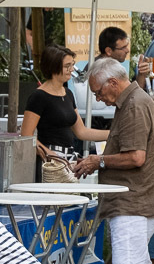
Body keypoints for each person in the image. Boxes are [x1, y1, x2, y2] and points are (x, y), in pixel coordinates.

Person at [68, 59, 154, 264]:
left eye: (98, 91)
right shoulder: (135, 101)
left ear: (112, 82)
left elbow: (136, 157)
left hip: (131, 200)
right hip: (139, 198)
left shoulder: (134, 104)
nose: (98, 98)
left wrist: (100, 160)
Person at [22, 44, 107, 180]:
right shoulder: (38, 97)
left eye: (72, 64)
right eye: (67, 66)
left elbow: (81, 131)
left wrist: (112, 133)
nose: (71, 69)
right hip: (50, 163)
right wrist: (50, 154)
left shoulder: (68, 93)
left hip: (68, 158)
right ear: (54, 67)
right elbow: (26, 135)